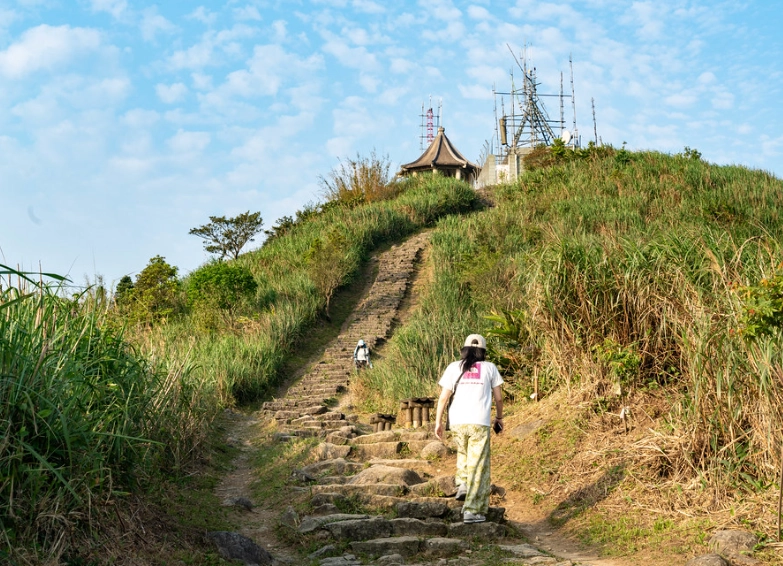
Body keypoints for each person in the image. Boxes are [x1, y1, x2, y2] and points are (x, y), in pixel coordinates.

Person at [434, 334, 504, 524]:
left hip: (457, 421)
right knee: (478, 465)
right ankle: (472, 511)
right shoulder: (490, 368)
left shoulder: (453, 367)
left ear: (464, 349)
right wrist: (499, 417)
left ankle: (462, 483)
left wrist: (438, 422)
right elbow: (498, 398)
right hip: (479, 422)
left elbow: (443, 398)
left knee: (463, 452)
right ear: (483, 351)